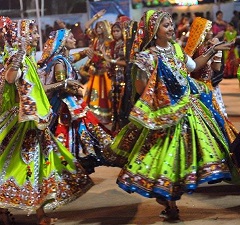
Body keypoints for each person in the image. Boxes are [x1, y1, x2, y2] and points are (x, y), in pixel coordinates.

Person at [102, 9, 239, 221]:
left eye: (170, 24)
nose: (171, 28)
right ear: (155, 31)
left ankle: (170, 202)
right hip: (162, 117)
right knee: (165, 160)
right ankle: (170, 203)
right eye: (166, 25)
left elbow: (194, 66)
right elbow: (140, 90)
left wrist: (213, 50)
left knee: (183, 159)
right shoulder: (146, 58)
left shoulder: (176, 49)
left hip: (187, 113)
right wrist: (163, 96)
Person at [0, 19, 93, 225]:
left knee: (39, 164)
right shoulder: (17, 57)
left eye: (35, 33)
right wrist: (19, 56)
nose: (35, 37)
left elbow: (39, 89)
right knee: (19, 164)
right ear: (20, 36)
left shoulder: (30, 59)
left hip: (36, 122)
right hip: (20, 123)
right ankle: (13, 209)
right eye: (31, 33)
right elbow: (10, 78)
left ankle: (38, 213)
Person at [38, 28, 112, 174]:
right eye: (71, 38)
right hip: (64, 105)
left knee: (80, 132)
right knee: (69, 133)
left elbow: (73, 58)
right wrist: (76, 90)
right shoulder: (59, 62)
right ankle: (70, 165)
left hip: (72, 103)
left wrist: (85, 53)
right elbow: (62, 86)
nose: (75, 40)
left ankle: (78, 164)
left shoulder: (64, 59)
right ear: (63, 43)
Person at [185, 17, 239, 143]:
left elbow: (216, 67)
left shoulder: (208, 47)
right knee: (211, 120)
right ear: (201, 31)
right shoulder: (199, 50)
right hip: (199, 91)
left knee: (217, 119)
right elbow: (193, 68)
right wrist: (214, 50)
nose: (210, 32)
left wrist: (217, 52)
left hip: (210, 88)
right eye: (207, 29)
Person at [83, 9, 113, 125]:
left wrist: (99, 54)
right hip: (95, 70)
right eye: (97, 27)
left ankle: (106, 117)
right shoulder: (94, 38)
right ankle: (95, 116)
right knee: (93, 94)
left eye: (100, 27)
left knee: (104, 94)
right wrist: (96, 17)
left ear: (105, 28)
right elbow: (86, 26)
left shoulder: (108, 41)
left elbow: (108, 56)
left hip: (104, 71)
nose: (98, 29)